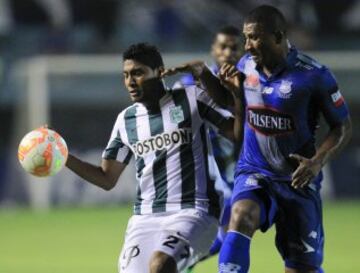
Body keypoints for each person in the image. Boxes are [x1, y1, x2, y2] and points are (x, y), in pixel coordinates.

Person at [164, 5, 352, 273]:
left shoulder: (314, 75)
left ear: (278, 36)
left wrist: (317, 162)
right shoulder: (246, 66)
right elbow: (230, 103)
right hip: (255, 171)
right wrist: (203, 73)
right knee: (239, 216)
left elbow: (342, 126)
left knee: (302, 267)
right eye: (246, 37)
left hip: (297, 181)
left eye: (254, 37)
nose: (248, 46)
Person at [65, 43, 235, 273]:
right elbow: (107, 178)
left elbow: (237, 134)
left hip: (194, 211)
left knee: (161, 264)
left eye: (138, 73)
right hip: (144, 218)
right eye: (126, 75)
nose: (130, 81)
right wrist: (63, 156)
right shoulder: (126, 120)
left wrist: (237, 93)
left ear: (159, 72)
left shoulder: (191, 98)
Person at [173, 25, 243, 272]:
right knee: (227, 232)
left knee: (229, 236)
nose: (228, 52)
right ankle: (179, 262)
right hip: (204, 179)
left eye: (235, 47)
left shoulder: (249, 85)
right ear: (213, 49)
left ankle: (181, 262)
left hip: (239, 175)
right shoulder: (189, 85)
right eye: (223, 46)